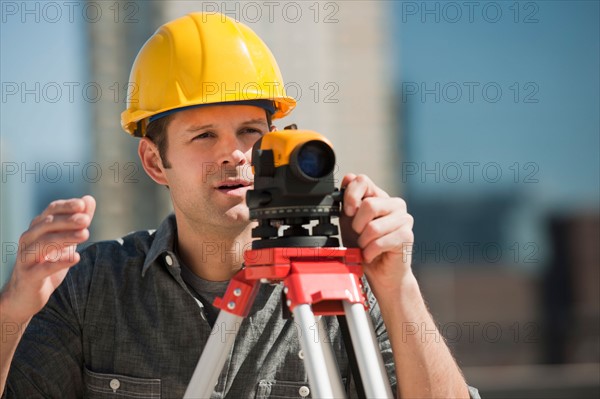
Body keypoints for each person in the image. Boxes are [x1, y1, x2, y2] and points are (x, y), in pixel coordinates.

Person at [0, 12, 479, 398]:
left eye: (251, 132)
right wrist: (13, 311)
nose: (234, 153)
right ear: (154, 161)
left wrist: (399, 287)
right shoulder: (89, 287)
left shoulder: (345, 291)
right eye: (204, 135)